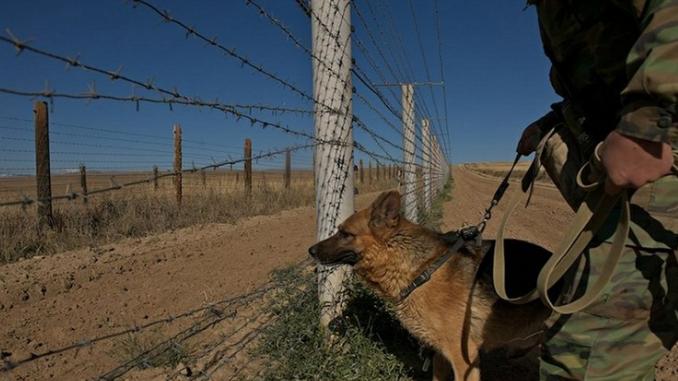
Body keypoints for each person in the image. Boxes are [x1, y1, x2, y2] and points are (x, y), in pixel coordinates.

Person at [516, 1, 678, 379]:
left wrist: (646, 123)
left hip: (660, 158)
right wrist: (553, 120)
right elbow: (601, 71)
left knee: (587, 361)